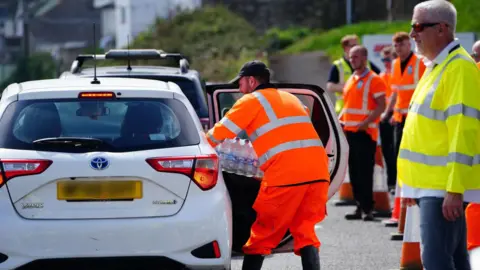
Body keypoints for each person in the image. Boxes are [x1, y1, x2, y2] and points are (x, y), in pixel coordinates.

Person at [206, 60, 331, 270]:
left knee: (262, 235)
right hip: (318, 174)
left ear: (252, 81)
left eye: (241, 83)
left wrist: (198, 144)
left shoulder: (251, 101)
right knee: (305, 232)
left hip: (285, 177)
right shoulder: (291, 98)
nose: (239, 88)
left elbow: (218, 134)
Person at [399, 1, 480, 269]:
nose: (413, 34)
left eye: (418, 26)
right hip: (431, 186)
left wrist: (455, 190)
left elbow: (464, 131)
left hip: (442, 187)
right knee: (454, 258)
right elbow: (422, 131)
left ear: (442, 29)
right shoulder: (436, 66)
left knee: (436, 261)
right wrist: (410, 184)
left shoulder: (458, 68)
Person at [339, 45, 386, 221]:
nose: (352, 60)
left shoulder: (374, 79)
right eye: (351, 57)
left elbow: (381, 105)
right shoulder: (352, 78)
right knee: (354, 172)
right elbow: (348, 104)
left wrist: (366, 123)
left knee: (365, 172)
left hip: (365, 133)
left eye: (356, 57)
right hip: (350, 132)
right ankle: (359, 206)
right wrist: (339, 120)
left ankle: (368, 208)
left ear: (365, 58)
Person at [382, 32, 426, 190]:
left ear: (409, 45)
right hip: (400, 117)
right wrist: (388, 113)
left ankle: (415, 185)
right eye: (396, 45)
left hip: (416, 116)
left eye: (402, 44)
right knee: (399, 153)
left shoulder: (420, 62)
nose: (399, 48)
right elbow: (395, 93)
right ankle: (403, 187)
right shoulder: (395, 64)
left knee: (415, 152)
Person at [327, 34, 381, 115]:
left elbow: (380, 78)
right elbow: (330, 87)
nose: (356, 48)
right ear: (345, 48)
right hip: (344, 111)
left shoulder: (367, 63)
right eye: (353, 45)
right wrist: (350, 88)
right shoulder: (338, 65)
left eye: (358, 45)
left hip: (365, 111)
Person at [378, 46, 397, 190]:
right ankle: (391, 182)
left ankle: (397, 182)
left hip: (395, 115)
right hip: (383, 116)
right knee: (387, 151)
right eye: (383, 59)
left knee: (396, 151)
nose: (386, 62)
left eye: (388, 59)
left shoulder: (397, 74)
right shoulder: (381, 76)